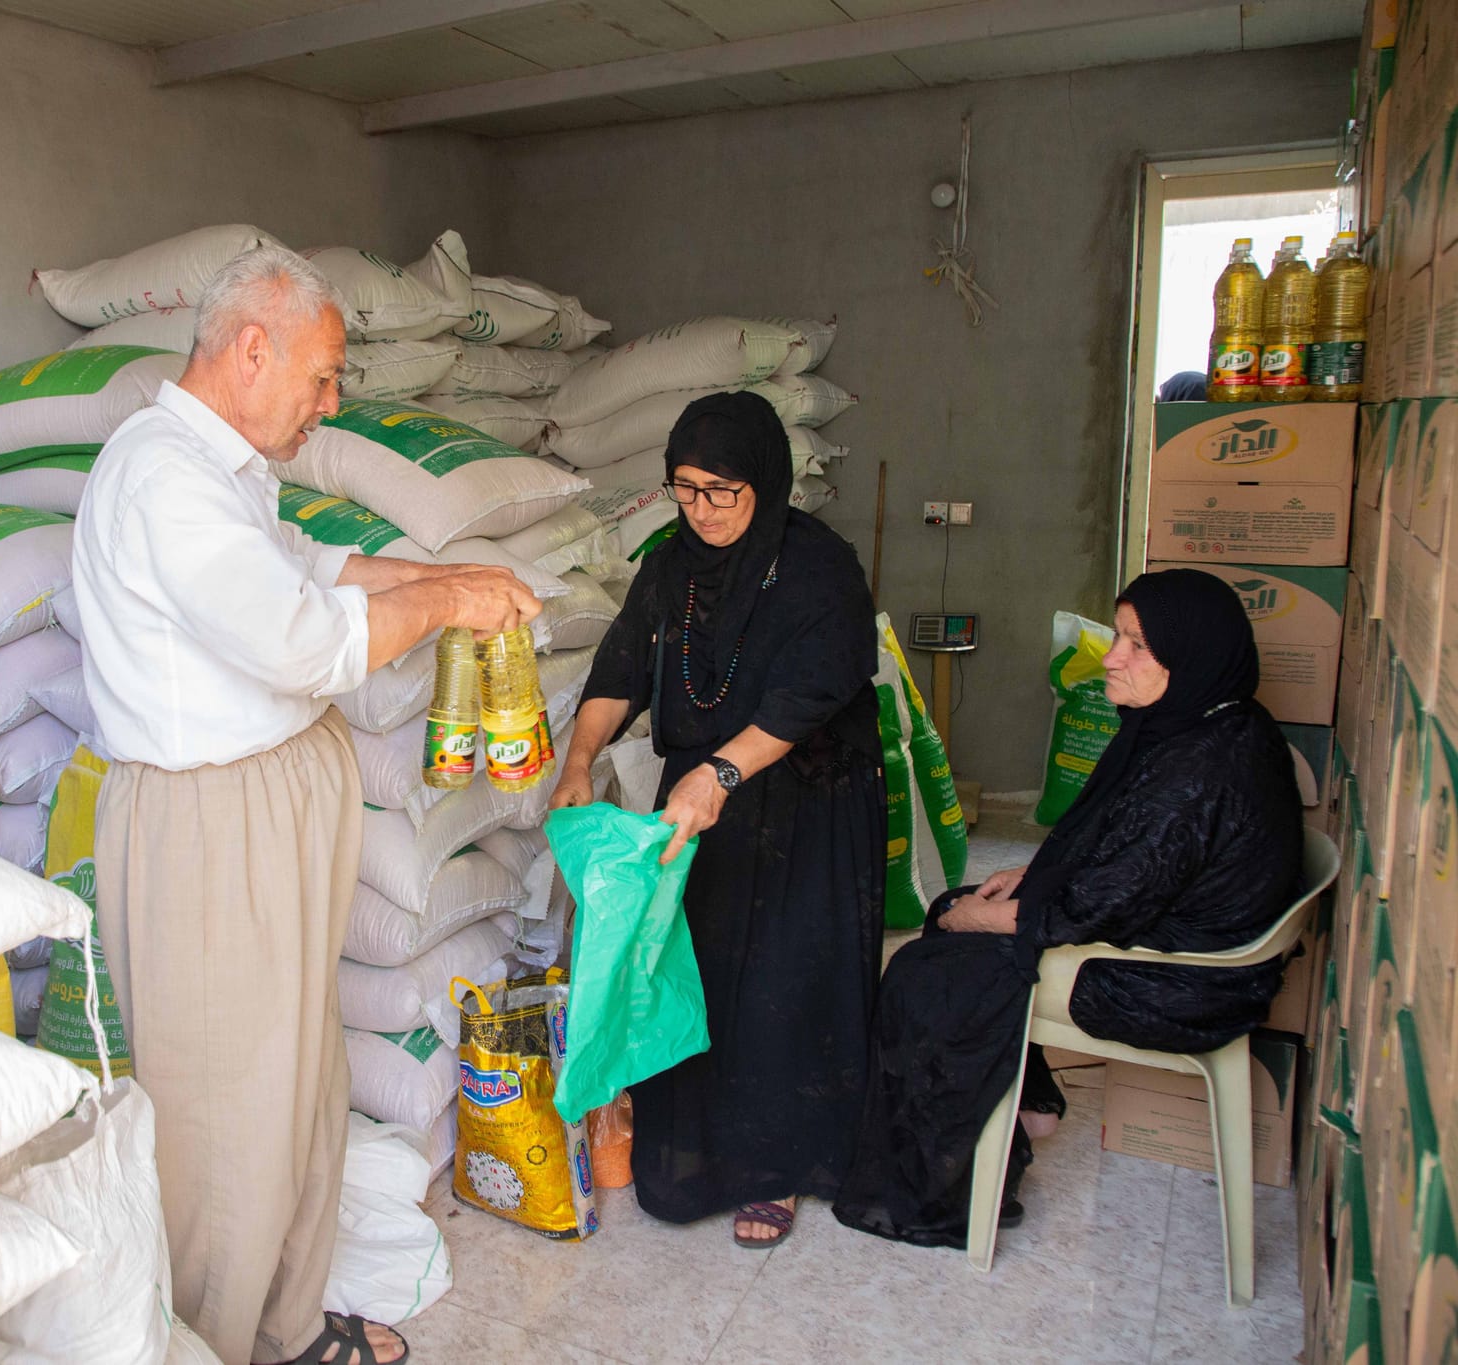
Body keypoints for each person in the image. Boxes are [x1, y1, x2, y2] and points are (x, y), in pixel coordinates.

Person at [72, 245, 540, 1365]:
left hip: (264, 804)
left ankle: (278, 1329)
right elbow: (295, 639)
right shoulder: (162, 477)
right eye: (322, 377)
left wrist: (448, 581)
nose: (330, 403)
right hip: (206, 821)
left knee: (291, 1081)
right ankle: (214, 1342)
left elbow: (304, 567)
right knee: (220, 1108)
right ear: (249, 349)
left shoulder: (222, 471)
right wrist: (444, 599)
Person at [833, 568, 1304, 1248]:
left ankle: (942, 1184)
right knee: (953, 910)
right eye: (1120, 635)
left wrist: (992, 915)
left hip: (1179, 984)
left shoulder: (1200, 768)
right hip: (1174, 939)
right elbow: (1126, 852)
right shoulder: (1207, 721)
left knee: (929, 966)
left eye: (1138, 645)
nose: (1113, 656)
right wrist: (1029, 876)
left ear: (1192, 651)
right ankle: (1028, 1103)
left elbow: (1096, 905)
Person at [548, 390, 885, 1249]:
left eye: (720, 492)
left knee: (780, 983)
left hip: (805, 797)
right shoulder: (671, 565)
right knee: (691, 972)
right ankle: (690, 1149)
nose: (701, 510)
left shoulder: (820, 568)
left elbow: (814, 690)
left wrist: (722, 769)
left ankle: (779, 1168)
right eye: (685, 489)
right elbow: (623, 666)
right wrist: (580, 760)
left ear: (765, 484)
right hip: (701, 805)